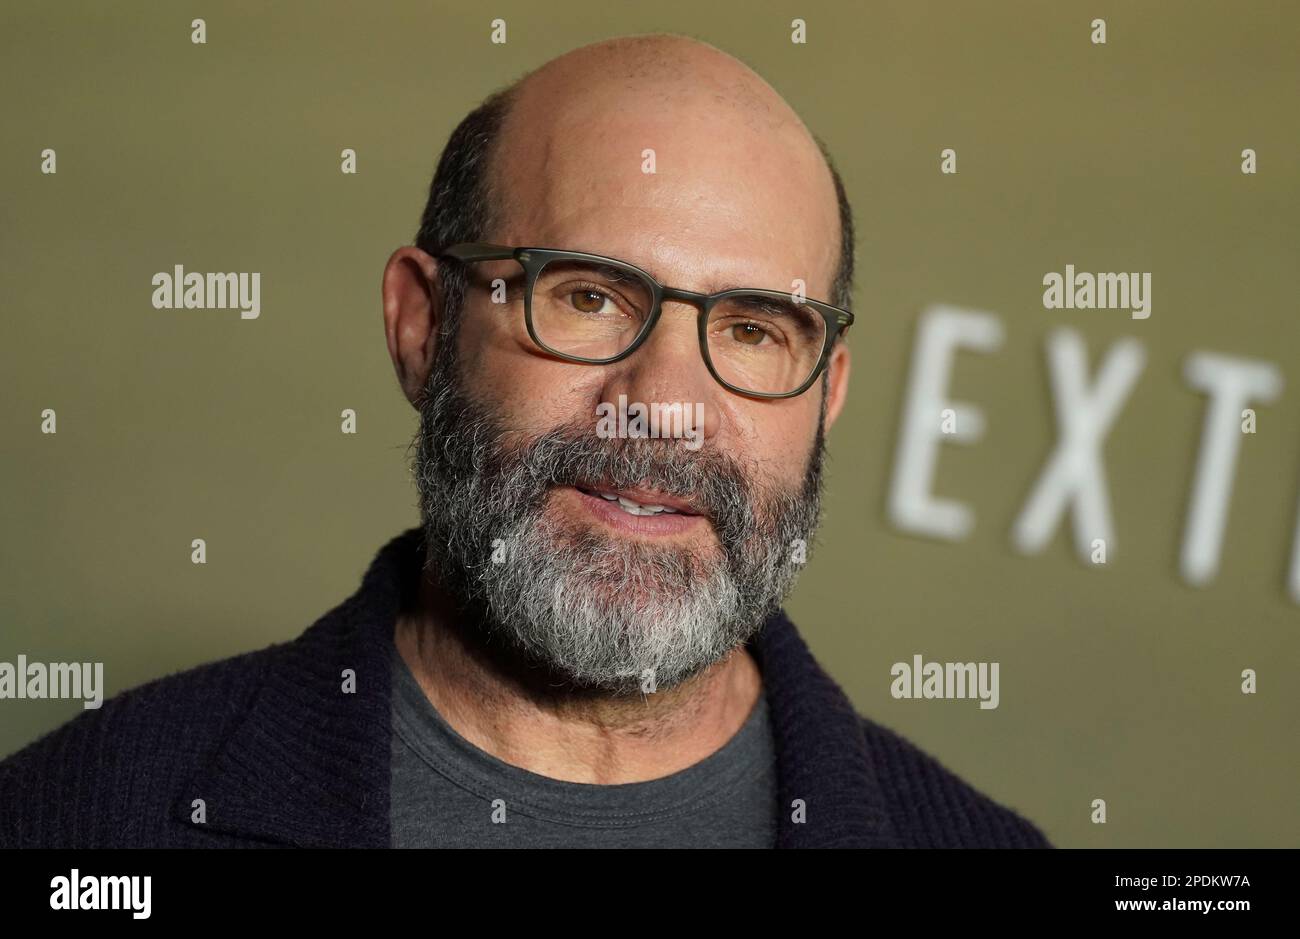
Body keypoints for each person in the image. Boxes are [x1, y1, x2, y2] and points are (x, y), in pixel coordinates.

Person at [0, 33, 1048, 849]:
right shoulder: (77, 824)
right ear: (423, 324)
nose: (663, 406)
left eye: (752, 331)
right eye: (588, 296)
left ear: (826, 396)